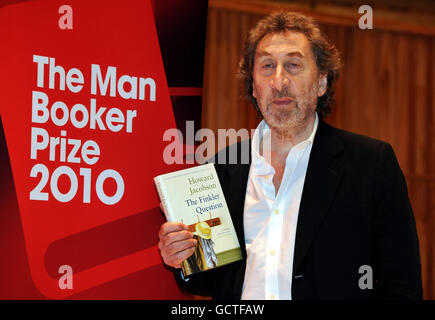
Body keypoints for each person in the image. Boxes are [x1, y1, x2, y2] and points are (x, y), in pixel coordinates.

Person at [158, 11, 422, 300]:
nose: (279, 80)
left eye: (294, 65)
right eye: (267, 66)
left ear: (321, 82)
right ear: (254, 86)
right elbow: (209, 281)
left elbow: (402, 285)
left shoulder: (371, 164)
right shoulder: (220, 167)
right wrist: (181, 257)